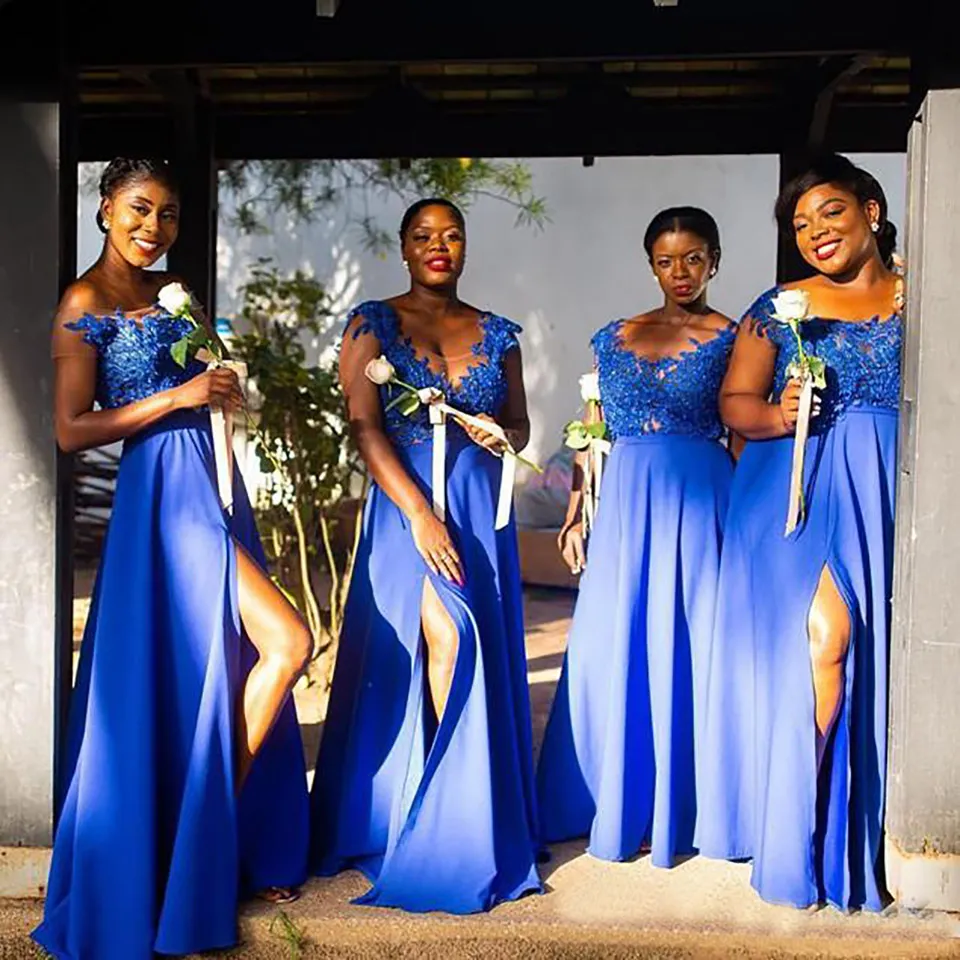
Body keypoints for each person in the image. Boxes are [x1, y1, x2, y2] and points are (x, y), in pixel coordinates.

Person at [32, 158, 311, 960]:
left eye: (169, 215)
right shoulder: (82, 303)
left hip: (214, 482)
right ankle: (198, 832)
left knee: (219, 662)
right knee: (288, 643)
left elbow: (206, 388)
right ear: (105, 211)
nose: (155, 228)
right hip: (162, 495)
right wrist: (177, 399)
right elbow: (70, 429)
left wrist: (220, 388)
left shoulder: (170, 295)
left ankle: (202, 837)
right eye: (140, 211)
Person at [309, 198, 541, 913]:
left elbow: (520, 423)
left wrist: (499, 435)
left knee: (460, 648)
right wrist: (417, 513)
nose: (438, 246)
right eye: (423, 236)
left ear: (464, 247)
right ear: (404, 249)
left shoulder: (498, 332)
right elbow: (364, 425)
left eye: (451, 235)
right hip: (409, 508)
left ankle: (457, 812)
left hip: (477, 509)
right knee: (437, 645)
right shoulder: (372, 323)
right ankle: (424, 810)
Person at [696, 154, 903, 911]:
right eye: (801, 224)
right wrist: (782, 414)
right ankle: (803, 829)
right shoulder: (779, 304)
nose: (815, 232)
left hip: (888, 488)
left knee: (873, 655)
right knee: (827, 641)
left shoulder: (926, 292)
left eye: (831, 214)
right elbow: (734, 402)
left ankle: (864, 831)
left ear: (871, 213)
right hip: (797, 489)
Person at [537, 207, 737, 867]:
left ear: (714, 260)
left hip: (704, 498)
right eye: (666, 260)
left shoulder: (734, 337)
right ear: (650, 263)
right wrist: (574, 513)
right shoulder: (612, 336)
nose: (680, 273)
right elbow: (591, 430)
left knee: (694, 648)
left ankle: (690, 809)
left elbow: (741, 434)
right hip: (625, 502)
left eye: (693, 258)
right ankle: (614, 800)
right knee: (612, 645)